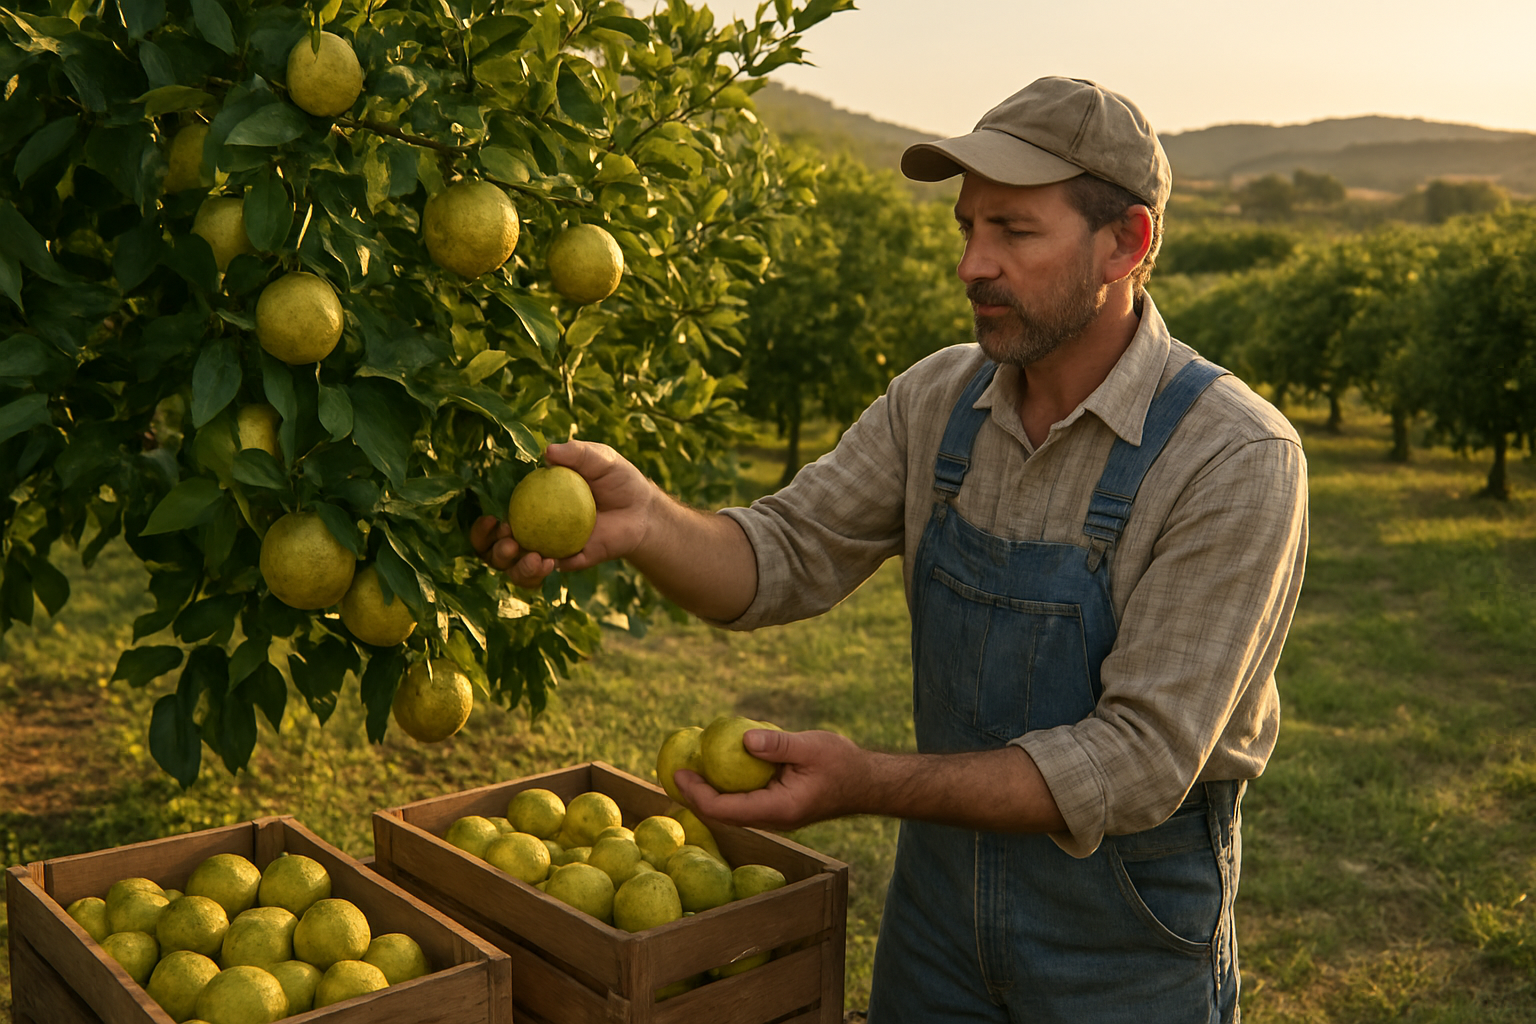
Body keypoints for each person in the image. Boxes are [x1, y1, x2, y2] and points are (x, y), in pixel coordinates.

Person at [472, 76, 1308, 1024]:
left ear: (1128, 242)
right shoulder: (938, 400)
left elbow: (1139, 760)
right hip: (936, 932)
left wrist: (868, 781)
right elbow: (784, 551)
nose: (972, 265)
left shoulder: (1233, 456)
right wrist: (647, 522)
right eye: (967, 229)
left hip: (1123, 951)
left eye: (1014, 232)